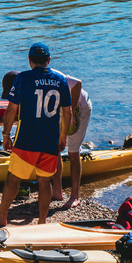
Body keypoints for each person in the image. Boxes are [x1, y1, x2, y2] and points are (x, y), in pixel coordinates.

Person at [0, 43, 71, 226]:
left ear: (30, 60)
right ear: (48, 61)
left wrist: (6, 134)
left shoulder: (23, 78)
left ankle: (1, 216)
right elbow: (67, 112)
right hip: (50, 139)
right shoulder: (60, 80)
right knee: (44, 181)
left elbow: (11, 110)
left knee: (13, 178)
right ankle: (41, 222)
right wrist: (63, 137)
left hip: (27, 138)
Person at [51, 72, 92, 209]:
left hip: (79, 106)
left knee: (73, 152)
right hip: (60, 110)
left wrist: (72, 112)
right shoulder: (32, 79)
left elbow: (78, 83)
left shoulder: (54, 74)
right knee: (54, 147)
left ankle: (75, 196)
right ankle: (57, 191)